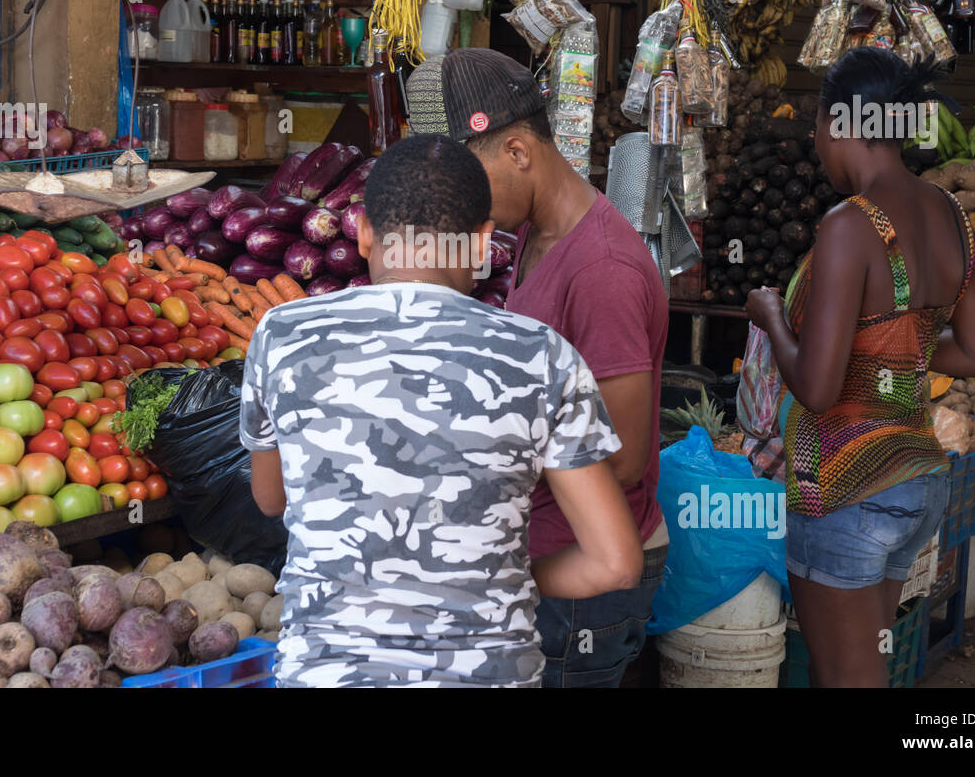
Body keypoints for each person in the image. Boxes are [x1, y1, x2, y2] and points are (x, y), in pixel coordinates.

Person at [239, 133, 644, 687]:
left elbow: (270, 497)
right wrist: (502, 574)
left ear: (362, 232)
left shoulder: (282, 336)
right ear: (482, 243)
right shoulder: (542, 357)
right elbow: (616, 563)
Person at [406, 48, 668, 688]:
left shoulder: (601, 270)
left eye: (466, 182)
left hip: (578, 575)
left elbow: (626, 458)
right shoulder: (534, 234)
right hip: (542, 555)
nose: (458, 206)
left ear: (518, 153)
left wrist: (489, 452)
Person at [744, 48, 975, 687]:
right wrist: (889, 357)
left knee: (844, 680)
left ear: (839, 123)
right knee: (867, 671)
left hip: (847, 488)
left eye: (817, 129)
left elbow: (818, 385)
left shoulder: (848, 226)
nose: (815, 145)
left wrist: (771, 315)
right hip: (915, 484)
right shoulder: (951, 214)